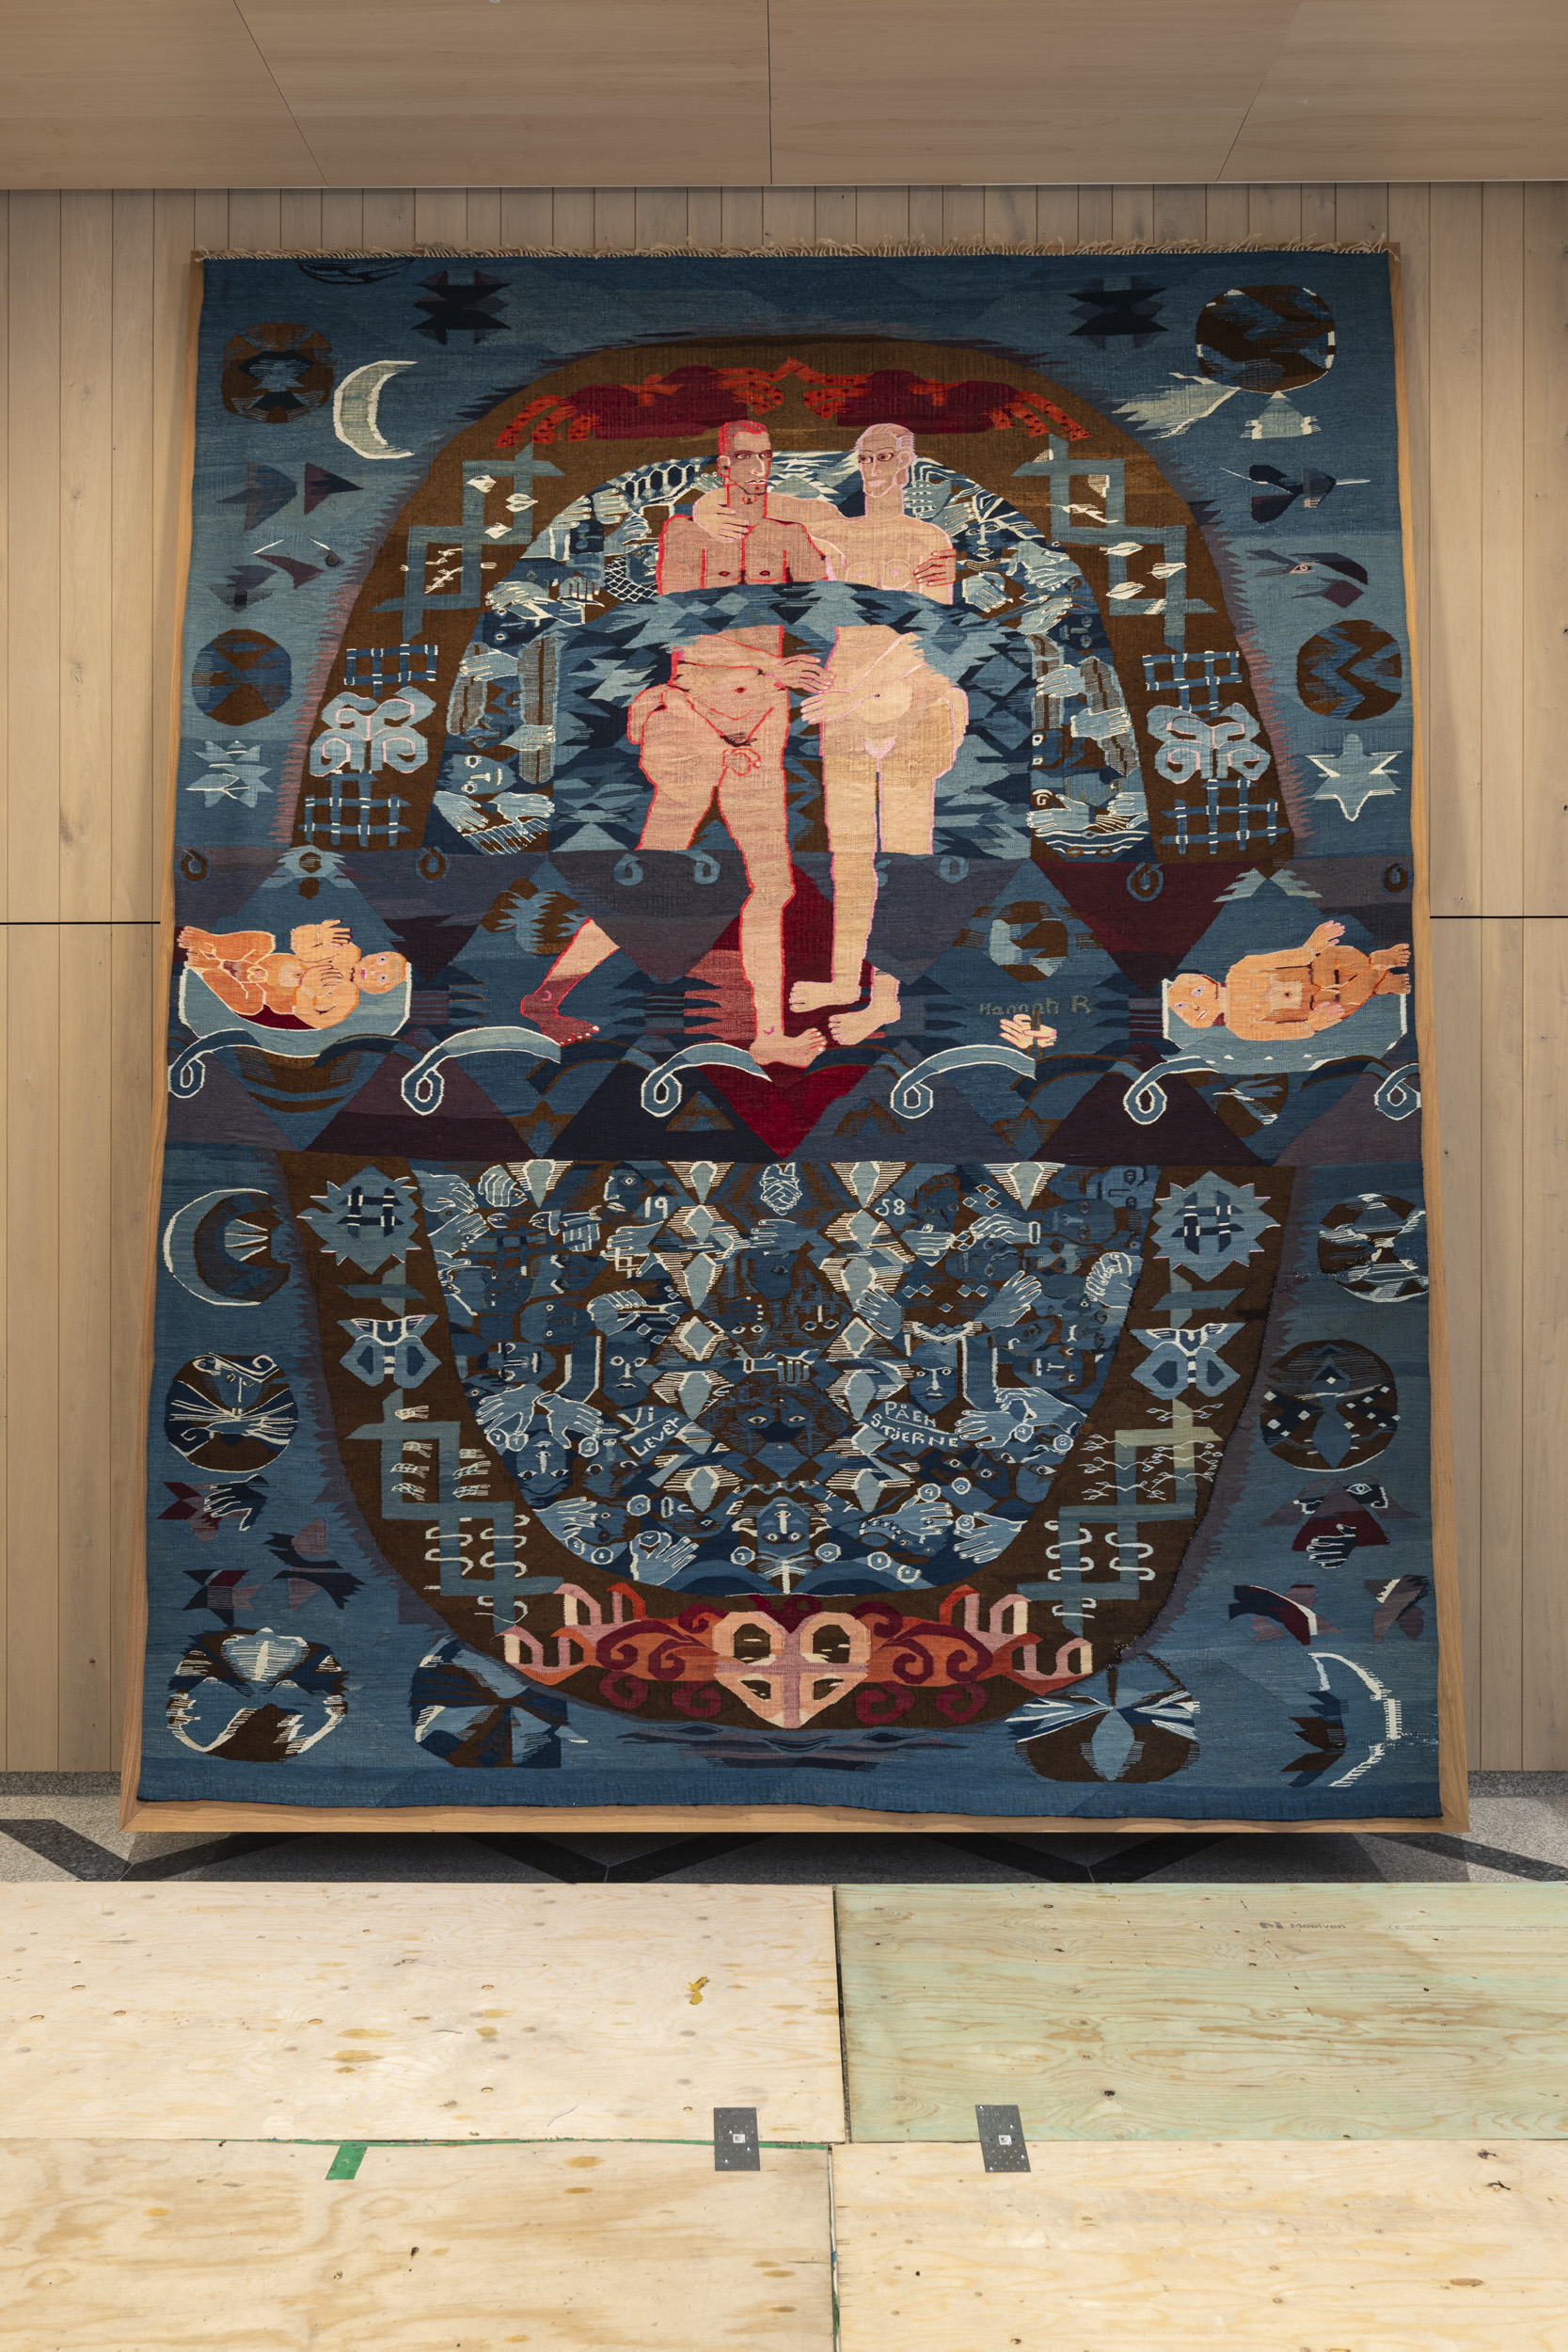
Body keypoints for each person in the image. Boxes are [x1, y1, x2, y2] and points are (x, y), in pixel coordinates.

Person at [520, 628, 830, 1068]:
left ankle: (769, 1035)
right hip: (691, 723)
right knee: (650, 884)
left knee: (773, 888)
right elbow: (686, 629)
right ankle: (546, 998)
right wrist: (771, 665)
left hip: (760, 722)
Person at [1167, 920, 1411, 1042]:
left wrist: (1311, 947)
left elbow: (1282, 958)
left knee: (1336, 955)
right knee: (1345, 1003)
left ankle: (1378, 974)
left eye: (1196, 992)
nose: (1195, 1006)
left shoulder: (1240, 969)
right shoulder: (1240, 1028)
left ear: (1208, 980)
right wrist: (1310, 1026)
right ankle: (1379, 967)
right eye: (1181, 1008)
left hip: (1317, 970)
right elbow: (1281, 1032)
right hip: (1317, 1006)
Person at [657, 421, 831, 591]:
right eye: (744, 456)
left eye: (765, 456)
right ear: (724, 466)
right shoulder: (684, 532)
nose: (760, 469)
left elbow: (817, 596)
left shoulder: (792, 533)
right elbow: (676, 600)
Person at [179, 920, 406, 1031]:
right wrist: (318, 934)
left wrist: (306, 990)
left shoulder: (347, 1001)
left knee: (248, 1005)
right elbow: (299, 944)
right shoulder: (347, 951)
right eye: (382, 960)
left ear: (379, 990)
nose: (374, 969)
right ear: (376, 953)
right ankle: (213, 943)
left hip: (261, 993)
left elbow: (317, 1021)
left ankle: (209, 969)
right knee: (264, 940)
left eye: (382, 977)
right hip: (260, 961)